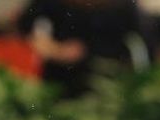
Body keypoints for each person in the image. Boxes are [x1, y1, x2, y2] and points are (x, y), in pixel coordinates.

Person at [16, 0, 148, 95]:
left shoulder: (124, 5)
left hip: (110, 86)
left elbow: (146, 41)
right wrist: (56, 50)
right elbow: (25, 25)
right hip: (61, 81)